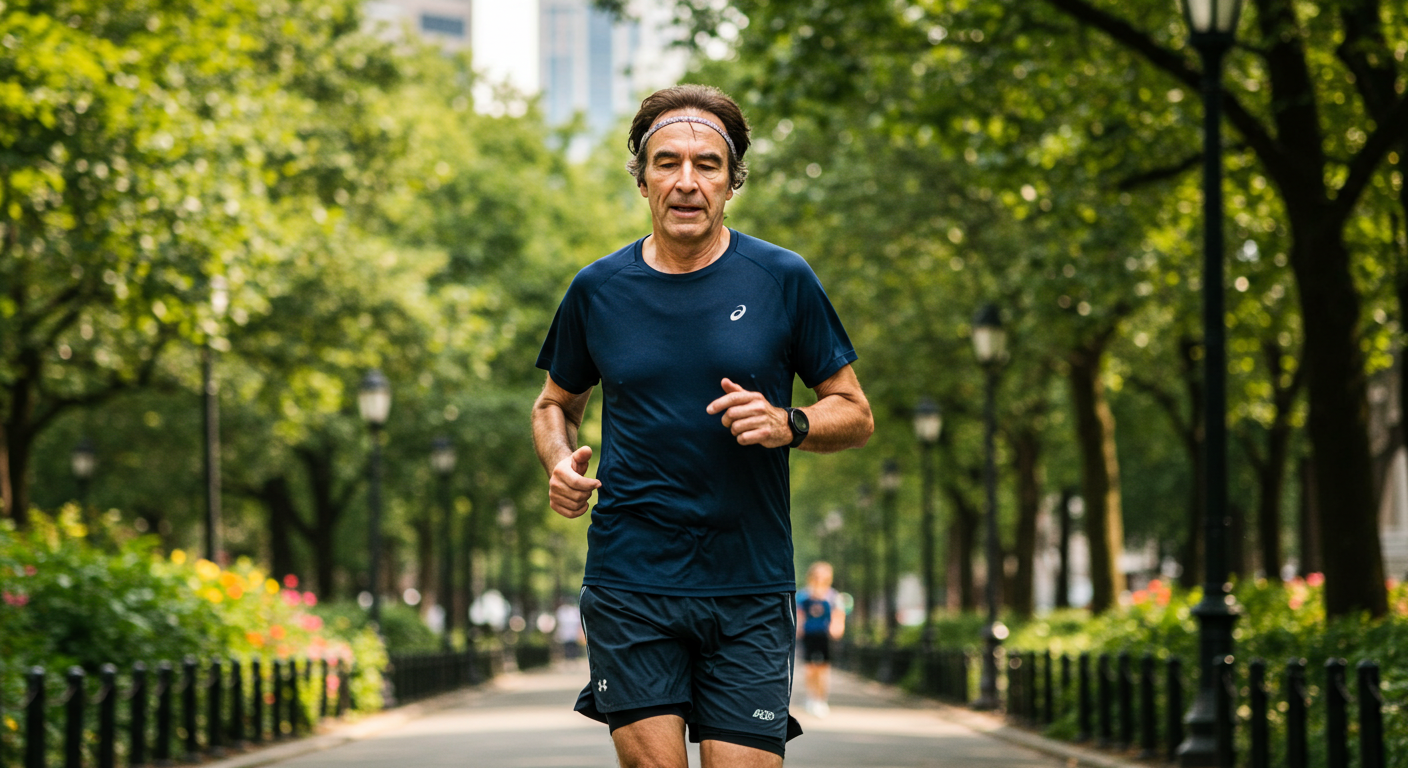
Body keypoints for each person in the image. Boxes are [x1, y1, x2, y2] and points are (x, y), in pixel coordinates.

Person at [531, 84, 873, 768]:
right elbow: (554, 404)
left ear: (732, 180)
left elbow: (856, 412)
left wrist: (790, 421)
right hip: (632, 576)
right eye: (667, 162)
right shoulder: (597, 289)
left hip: (749, 579)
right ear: (642, 176)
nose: (686, 182)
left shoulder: (782, 278)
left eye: (707, 164)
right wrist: (559, 463)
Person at [796, 562, 845, 718]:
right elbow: (798, 613)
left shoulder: (833, 596)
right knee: (810, 668)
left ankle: (821, 699)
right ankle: (811, 698)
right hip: (809, 636)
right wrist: (798, 627)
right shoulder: (803, 595)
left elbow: (839, 614)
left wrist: (837, 627)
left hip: (825, 636)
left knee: (823, 668)